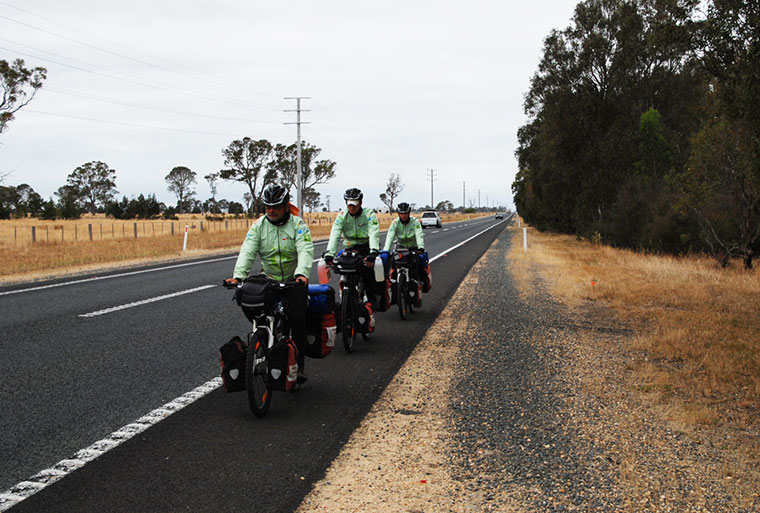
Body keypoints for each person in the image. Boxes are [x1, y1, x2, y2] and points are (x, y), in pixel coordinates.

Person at [224, 183, 314, 388]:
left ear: (285, 206)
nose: (271, 211)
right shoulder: (258, 226)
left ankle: (298, 367)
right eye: (267, 207)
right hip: (270, 279)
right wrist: (238, 277)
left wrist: (301, 275)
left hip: (293, 280)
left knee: (299, 319)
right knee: (251, 304)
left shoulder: (298, 225)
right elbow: (247, 251)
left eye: (275, 206)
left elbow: (305, 250)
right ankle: (262, 339)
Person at [323, 188, 381, 306]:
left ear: (360, 203)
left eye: (354, 204)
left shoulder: (369, 214)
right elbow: (335, 234)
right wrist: (329, 253)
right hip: (350, 248)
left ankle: (372, 301)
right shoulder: (342, 216)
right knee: (343, 269)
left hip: (367, 247)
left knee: (368, 274)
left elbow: (373, 233)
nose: (352, 207)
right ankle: (345, 294)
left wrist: (373, 252)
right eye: (349, 204)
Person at [383, 202, 431, 293]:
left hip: (413, 248)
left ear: (409, 213)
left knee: (419, 264)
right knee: (393, 264)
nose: (403, 215)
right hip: (401, 248)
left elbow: (419, 235)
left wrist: (420, 247)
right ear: (398, 213)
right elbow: (390, 236)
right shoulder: (395, 223)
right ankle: (394, 287)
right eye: (401, 213)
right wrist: (386, 250)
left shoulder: (415, 222)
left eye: (405, 213)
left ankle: (422, 283)